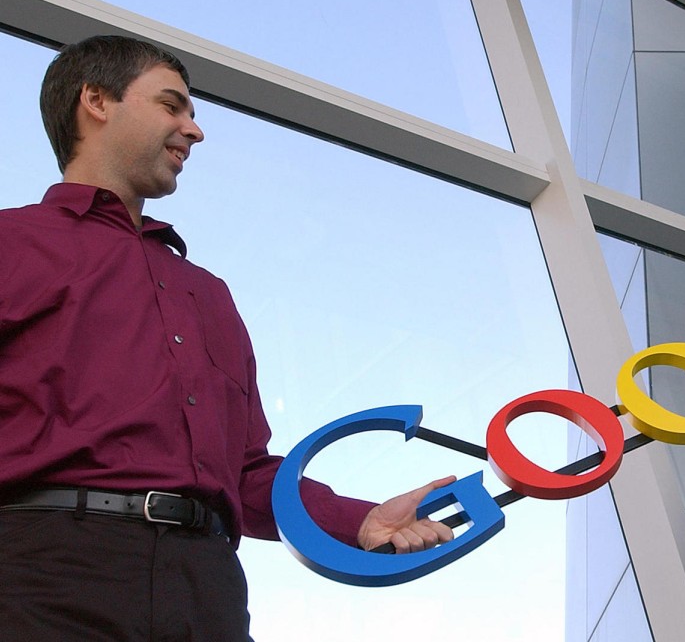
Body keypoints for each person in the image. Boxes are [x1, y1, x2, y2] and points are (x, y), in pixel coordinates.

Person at [0, 35, 455, 640]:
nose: (194, 130)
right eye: (171, 105)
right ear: (97, 101)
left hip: (208, 586)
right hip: (42, 574)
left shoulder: (206, 293)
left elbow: (243, 472)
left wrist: (360, 519)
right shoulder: (12, 244)